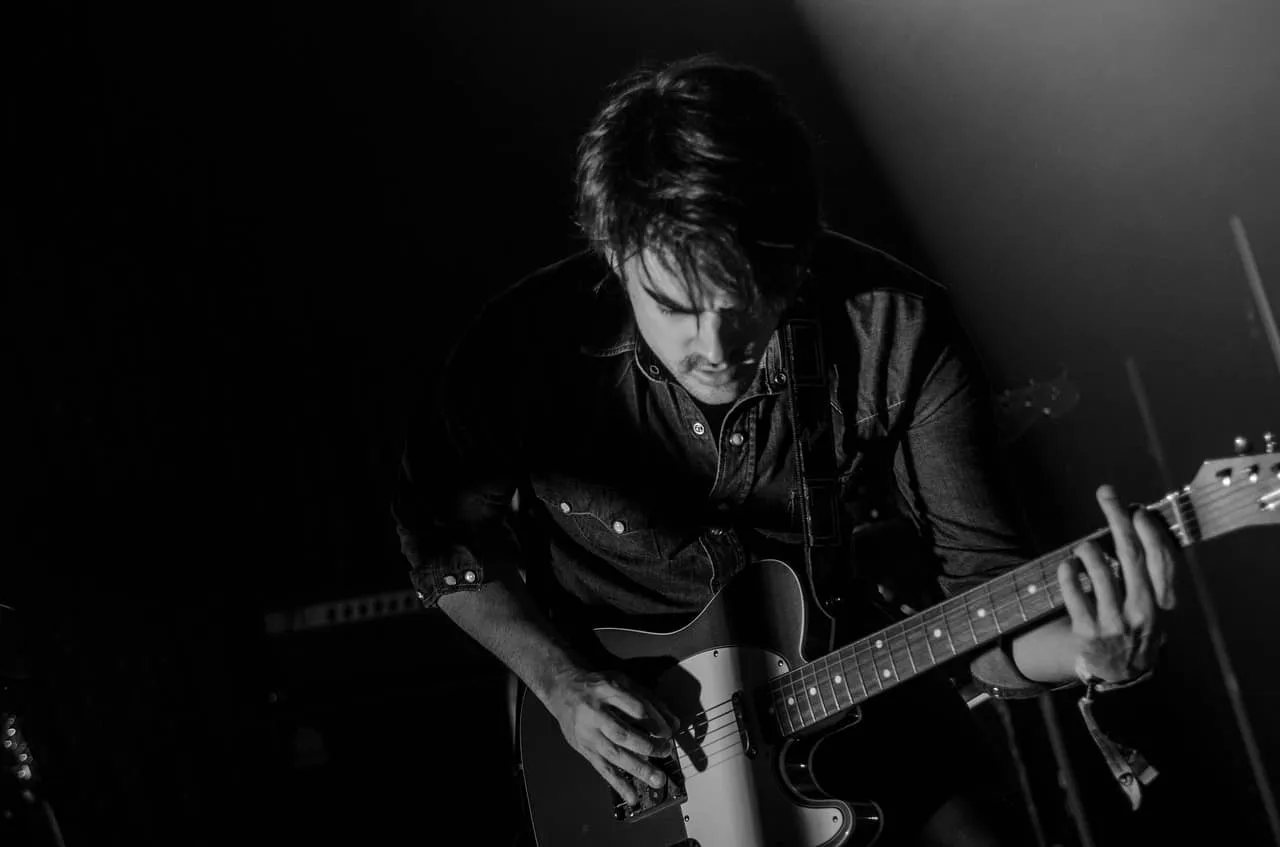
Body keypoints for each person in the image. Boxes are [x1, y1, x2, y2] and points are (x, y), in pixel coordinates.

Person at [391, 55, 1178, 846]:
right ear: (612, 252)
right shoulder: (526, 348)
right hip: (635, 754)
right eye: (674, 307)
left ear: (798, 257)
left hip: (850, 687)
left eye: (745, 305)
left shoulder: (897, 331)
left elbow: (986, 601)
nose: (714, 346)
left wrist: (1092, 652)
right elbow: (440, 537)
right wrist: (561, 680)